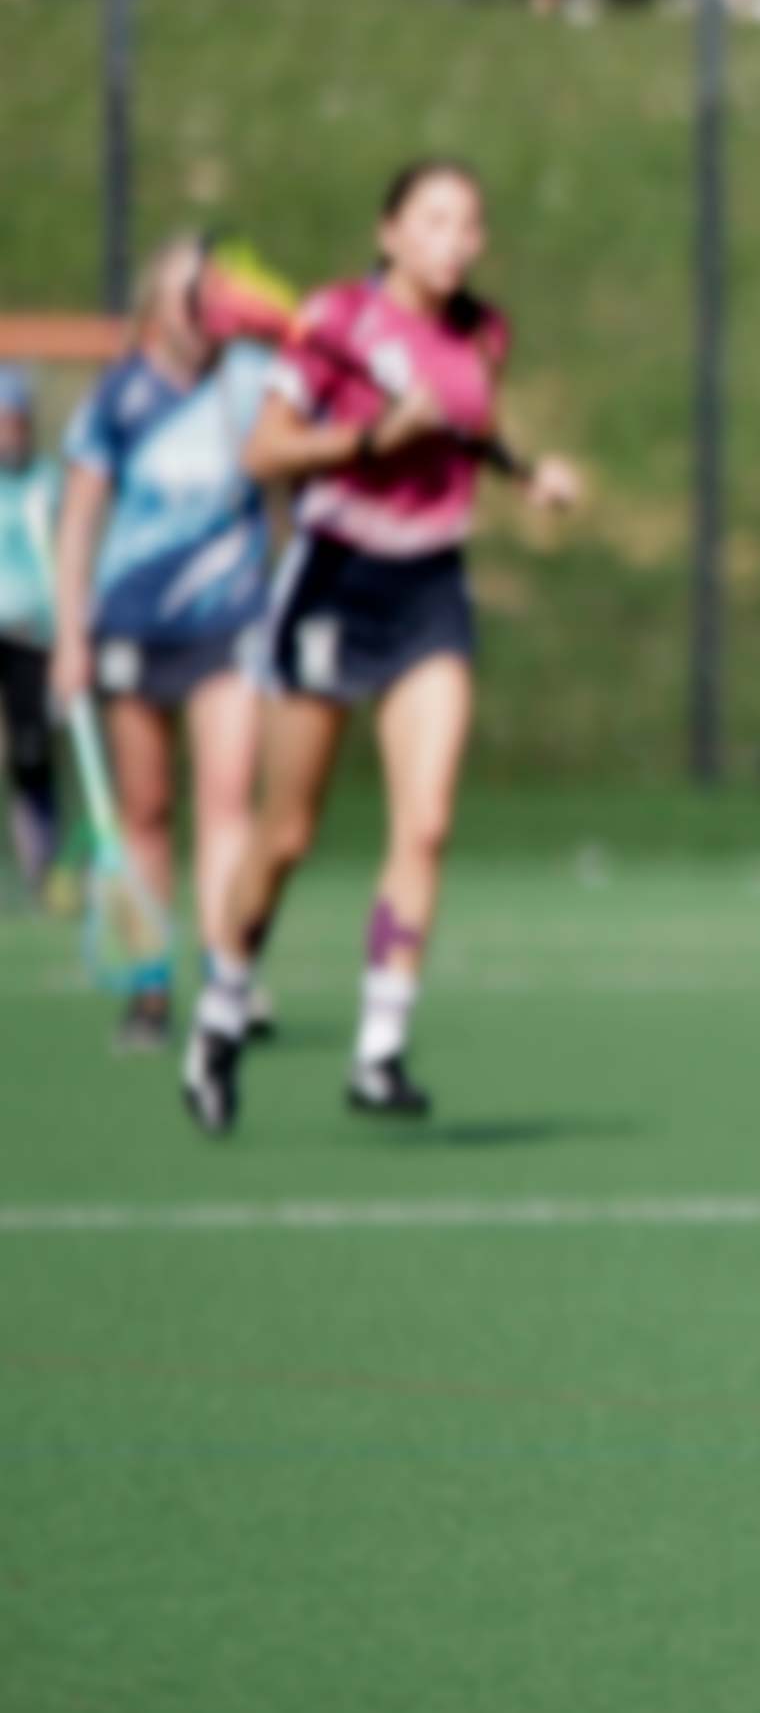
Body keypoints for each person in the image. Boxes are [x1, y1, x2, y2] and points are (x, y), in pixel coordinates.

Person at [186, 161, 586, 1135]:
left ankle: (379, 1048)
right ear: (392, 233)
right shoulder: (332, 323)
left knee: (428, 821)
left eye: (470, 223)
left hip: (430, 586)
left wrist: (527, 477)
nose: (457, 240)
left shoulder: (482, 332)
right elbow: (267, 452)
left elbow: (461, 431)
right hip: (335, 579)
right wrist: (370, 439)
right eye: (436, 220)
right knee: (286, 836)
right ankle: (222, 1011)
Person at [47, 240, 290, 1048]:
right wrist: (72, 635)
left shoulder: (252, 378)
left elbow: (292, 466)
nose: (209, 307)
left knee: (228, 803)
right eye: (193, 292)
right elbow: (80, 520)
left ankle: (228, 977)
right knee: (145, 812)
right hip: (133, 622)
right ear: (158, 305)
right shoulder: (120, 397)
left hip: (229, 616)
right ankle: (149, 988)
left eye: (217, 292)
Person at [0, 363, 57, 904]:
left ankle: (43, 865)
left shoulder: (47, 481)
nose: (8, 433)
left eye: (14, 422)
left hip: (33, 637)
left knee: (31, 754)